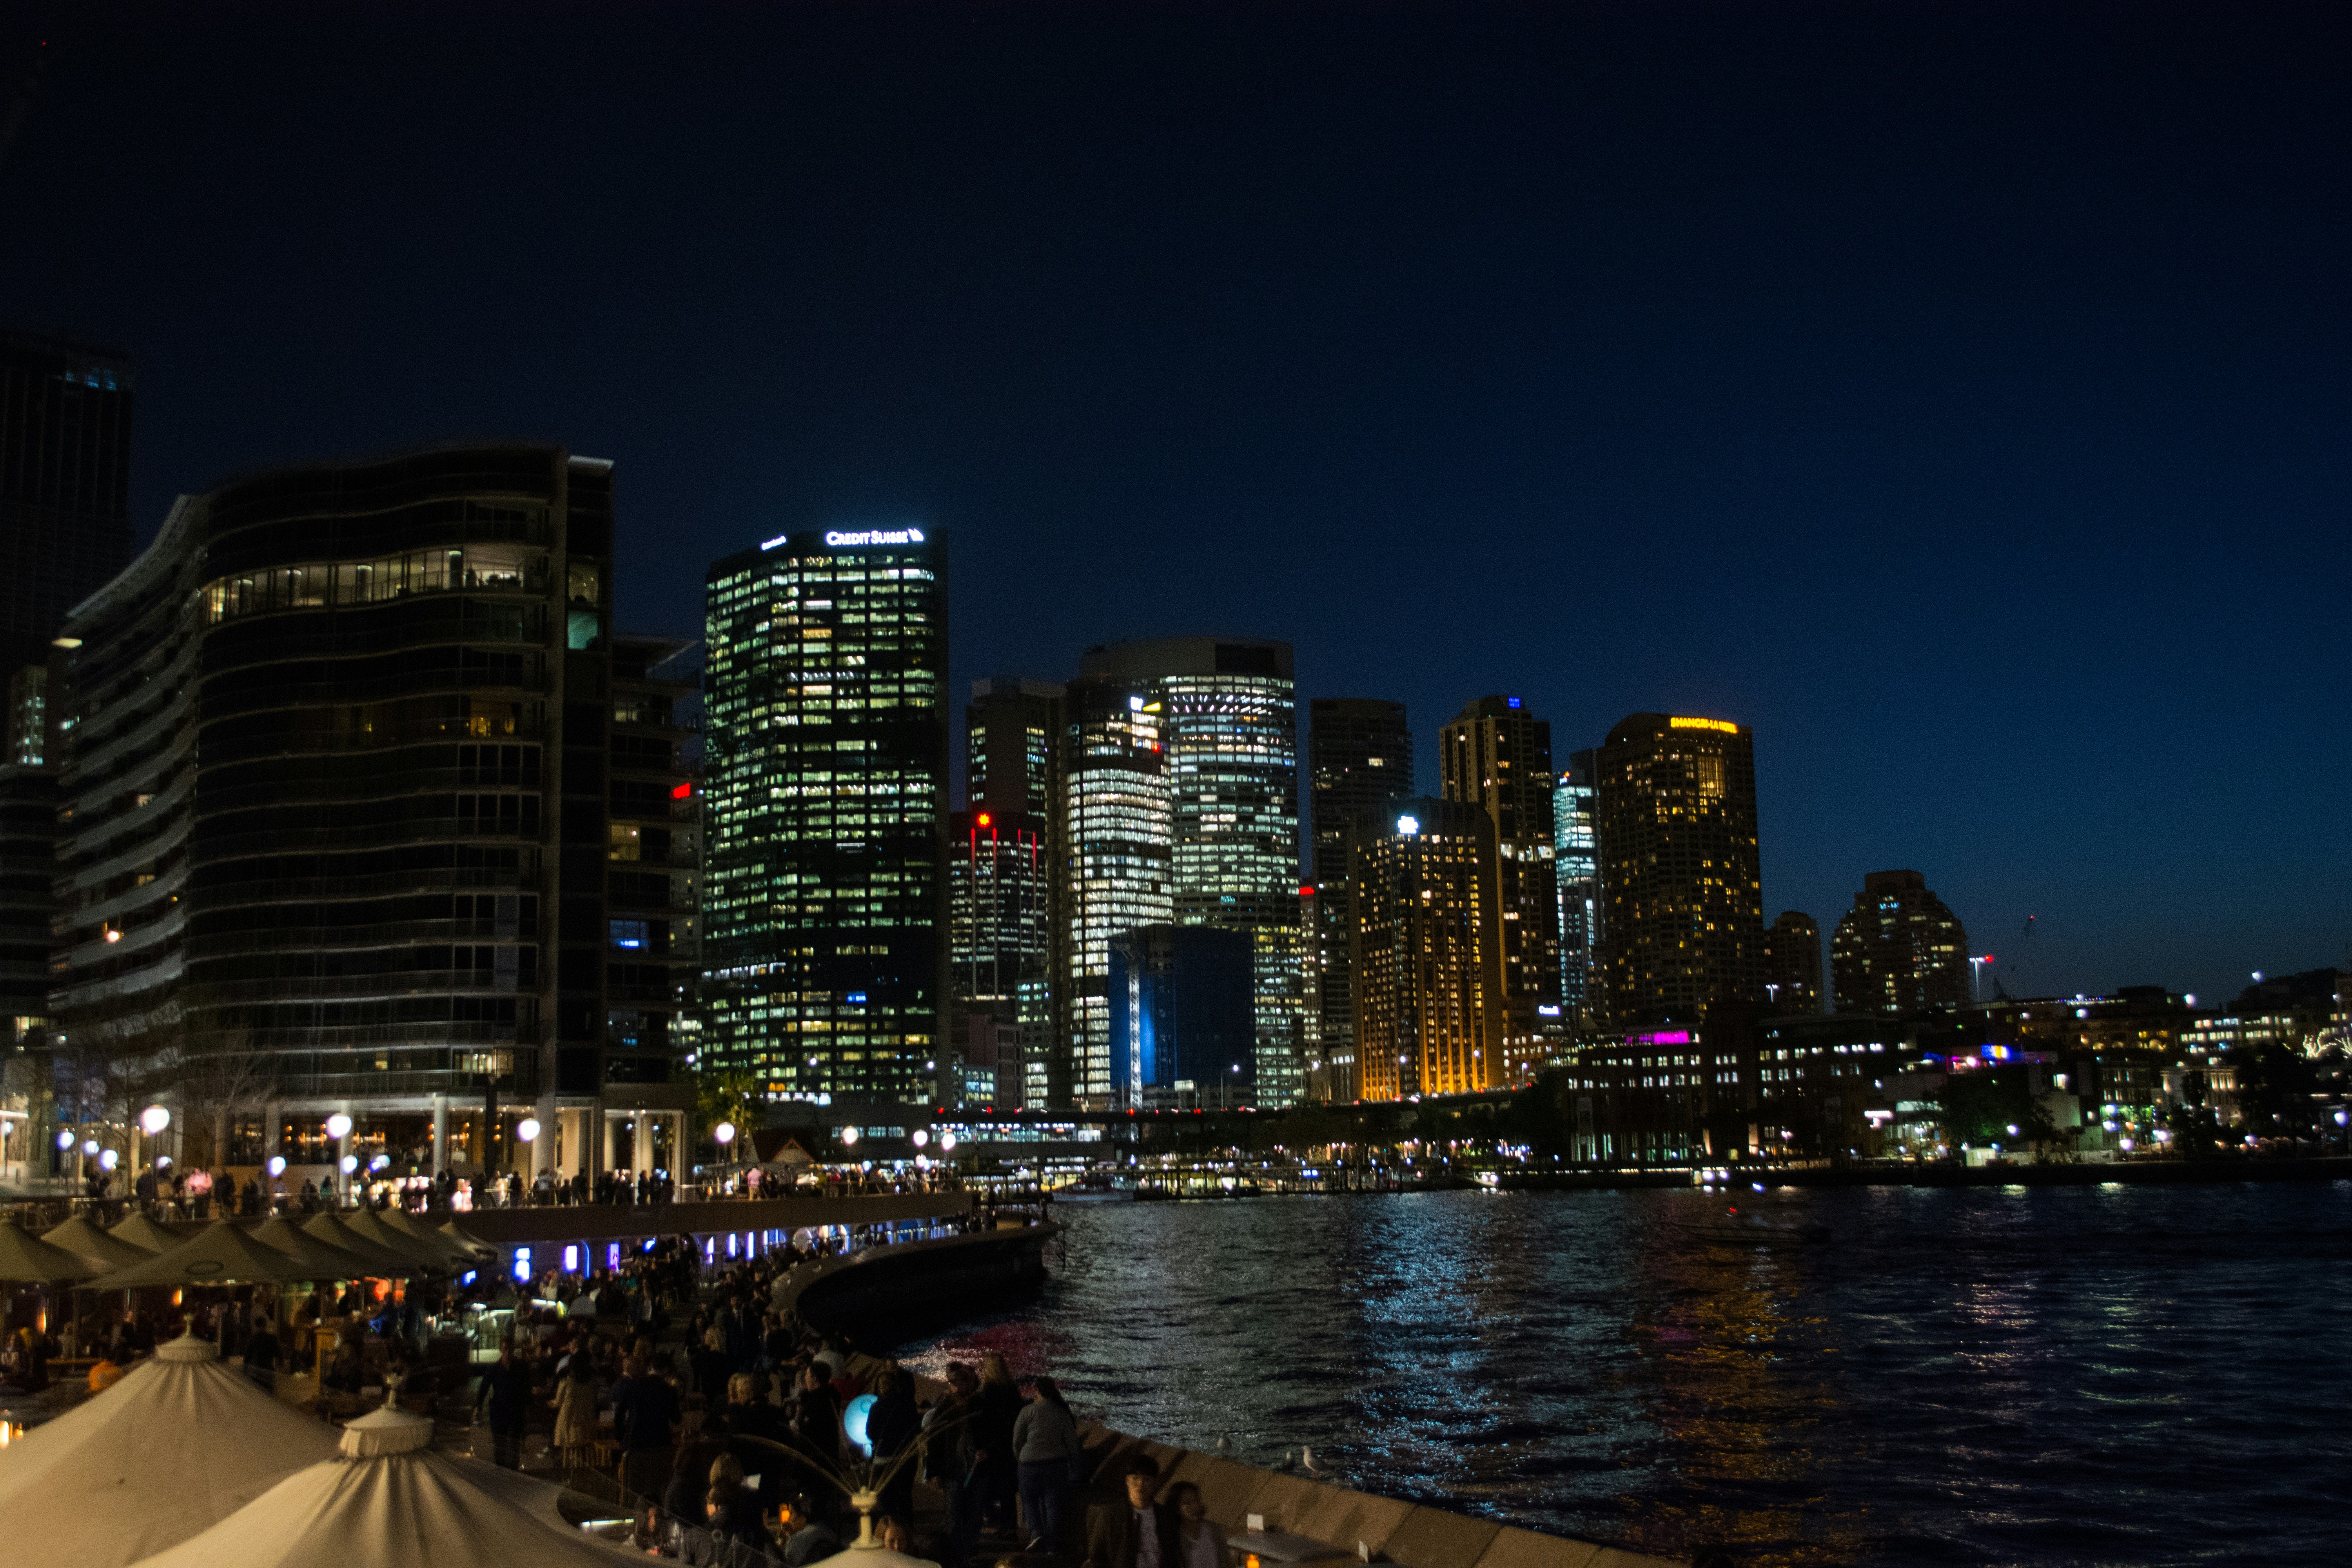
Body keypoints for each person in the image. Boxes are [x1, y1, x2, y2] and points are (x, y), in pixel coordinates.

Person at [1012, 1374, 1082, 1553]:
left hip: (1029, 1464)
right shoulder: (1062, 1413)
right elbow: (1072, 1444)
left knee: (1030, 1501)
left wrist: (1021, 1458)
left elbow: (1017, 1440)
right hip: (1056, 1464)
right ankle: (1052, 1543)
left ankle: (1036, 1534)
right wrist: (1074, 1466)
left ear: (1037, 1391)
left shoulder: (1027, 1411)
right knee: (1053, 1504)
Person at [1082, 1454, 1178, 1568]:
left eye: (1147, 1480)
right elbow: (1096, 1557)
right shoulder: (1110, 1514)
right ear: (1127, 1481)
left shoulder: (1164, 1516)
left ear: (1155, 1483)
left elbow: (1172, 1554)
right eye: (1135, 1479)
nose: (1140, 1485)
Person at [611, 1353, 684, 1501]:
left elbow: (619, 1414)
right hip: (660, 1443)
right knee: (659, 1483)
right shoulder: (668, 1390)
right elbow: (677, 1419)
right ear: (666, 1370)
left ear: (650, 1367)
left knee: (634, 1485)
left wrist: (620, 1436)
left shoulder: (633, 1386)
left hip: (635, 1443)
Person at [475, 1339, 535, 1469]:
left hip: (516, 1410)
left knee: (514, 1442)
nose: (508, 1353)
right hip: (499, 1410)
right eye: (505, 1349)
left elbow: (527, 1388)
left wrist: (528, 1408)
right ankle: (501, 1470)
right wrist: (478, 1406)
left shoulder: (521, 1367)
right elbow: (484, 1387)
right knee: (499, 1442)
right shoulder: (495, 1369)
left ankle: (513, 1470)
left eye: (510, 1350)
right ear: (501, 1350)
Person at [552, 1354, 601, 1473]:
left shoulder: (566, 1380)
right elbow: (595, 1399)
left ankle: (567, 1475)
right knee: (585, 1452)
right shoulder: (591, 1381)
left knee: (567, 1451)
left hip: (568, 1421)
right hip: (586, 1421)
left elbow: (558, 1402)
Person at [1166, 1482, 1227, 1568]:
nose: (1195, 1506)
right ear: (1177, 1509)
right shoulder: (1175, 1537)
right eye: (1187, 1503)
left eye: (1197, 1500)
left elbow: (1225, 1561)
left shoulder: (1213, 1530)